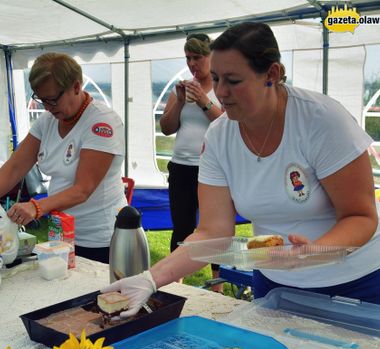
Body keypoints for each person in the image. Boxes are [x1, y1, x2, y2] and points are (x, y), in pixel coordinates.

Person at [103, 22, 380, 317]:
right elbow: (213, 231)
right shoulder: (220, 136)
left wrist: (310, 253)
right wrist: (151, 278)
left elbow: (360, 217)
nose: (220, 92)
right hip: (276, 285)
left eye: (233, 81)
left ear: (271, 74)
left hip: (355, 285)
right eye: (217, 78)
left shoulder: (321, 121)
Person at [0, 52, 127, 263]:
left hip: (100, 238)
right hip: (63, 232)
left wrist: (37, 206)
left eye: (52, 99)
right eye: (41, 99)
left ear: (76, 87)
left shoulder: (101, 123)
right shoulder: (47, 121)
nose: (47, 107)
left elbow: (83, 189)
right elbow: (15, 166)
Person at [159, 33, 223, 291]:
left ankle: (218, 283)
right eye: (188, 58)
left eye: (198, 57)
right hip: (181, 167)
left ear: (211, 57)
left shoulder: (221, 87)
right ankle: (177, 282)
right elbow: (166, 128)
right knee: (182, 226)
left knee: (215, 228)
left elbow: (228, 125)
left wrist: (205, 102)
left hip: (212, 169)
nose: (193, 64)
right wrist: (180, 102)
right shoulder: (181, 89)